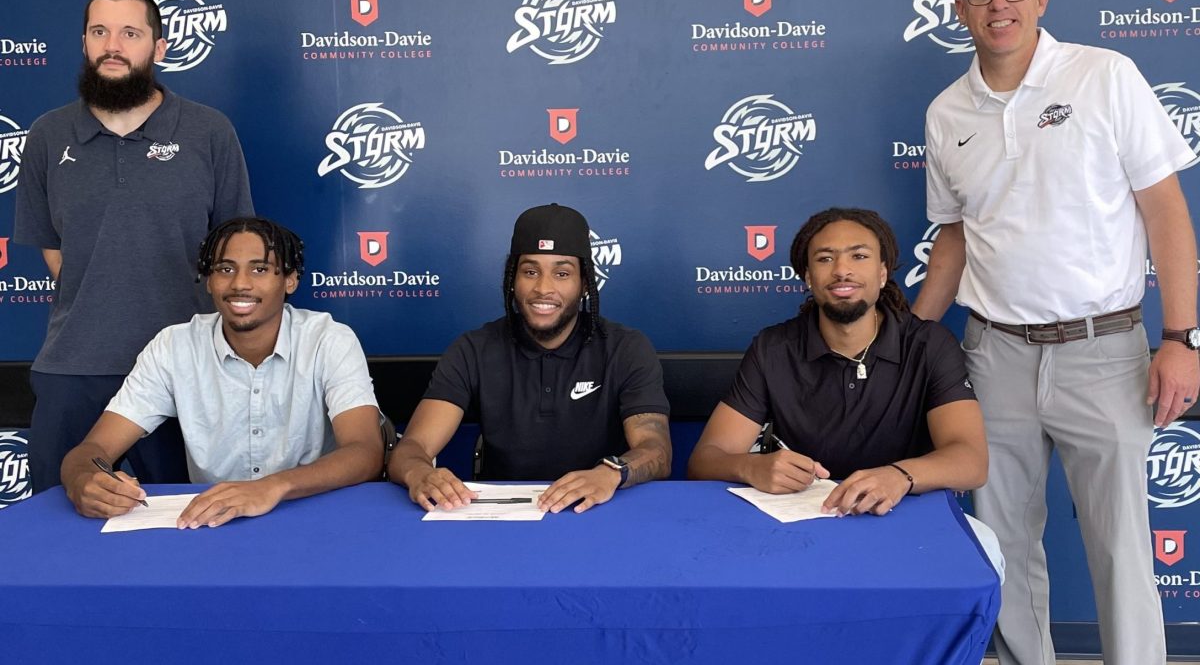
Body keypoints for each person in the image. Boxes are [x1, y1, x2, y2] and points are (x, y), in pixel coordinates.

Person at [913, 0, 1198, 665]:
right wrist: (907, 340)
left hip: (1106, 352)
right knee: (1003, 544)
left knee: (1121, 548)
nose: (998, 5)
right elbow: (955, 237)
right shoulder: (947, 112)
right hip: (993, 355)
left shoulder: (1105, 75)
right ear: (960, 9)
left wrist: (1181, 338)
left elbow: (1166, 210)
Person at [12, 0, 253, 493]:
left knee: (187, 518)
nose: (113, 46)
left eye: (130, 33)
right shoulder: (47, 135)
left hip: (188, 368)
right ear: (84, 43)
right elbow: (52, 246)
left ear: (158, 47)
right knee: (60, 516)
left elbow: (237, 250)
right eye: (99, 32)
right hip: (74, 368)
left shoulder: (209, 131)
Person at [61, 217, 383, 528]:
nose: (240, 284)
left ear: (290, 280)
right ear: (209, 280)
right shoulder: (174, 346)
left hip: (315, 514)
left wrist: (272, 487)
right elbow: (92, 450)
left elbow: (365, 452)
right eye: (225, 269)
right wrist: (84, 480)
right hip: (216, 524)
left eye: (259, 269)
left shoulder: (328, 339)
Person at [687, 208, 988, 520]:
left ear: (882, 273)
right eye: (825, 258)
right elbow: (704, 460)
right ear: (808, 276)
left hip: (903, 516)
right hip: (808, 517)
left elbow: (972, 461)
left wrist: (900, 476)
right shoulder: (773, 348)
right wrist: (751, 466)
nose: (842, 270)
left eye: (859, 256)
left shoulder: (929, 344)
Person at [389, 203, 672, 514]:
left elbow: (656, 450)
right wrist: (419, 473)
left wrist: (611, 473)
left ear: (585, 284)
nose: (543, 288)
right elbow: (413, 447)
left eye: (562, 273)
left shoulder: (625, 348)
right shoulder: (473, 349)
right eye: (530, 272)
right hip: (504, 516)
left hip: (598, 510)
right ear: (513, 279)